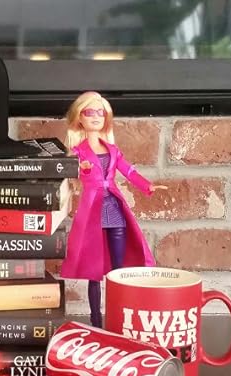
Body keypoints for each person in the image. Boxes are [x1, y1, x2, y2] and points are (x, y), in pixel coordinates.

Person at [60, 91, 167, 327]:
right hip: (93, 211)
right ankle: (96, 320)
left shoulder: (112, 149)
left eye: (100, 112)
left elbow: (128, 171)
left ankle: (119, 315)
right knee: (94, 271)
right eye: (90, 112)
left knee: (119, 270)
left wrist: (147, 186)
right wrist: (80, 168)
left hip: (114, 208)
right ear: (80, 117)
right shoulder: (78, 151)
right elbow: (69, 171)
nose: (96, 116)